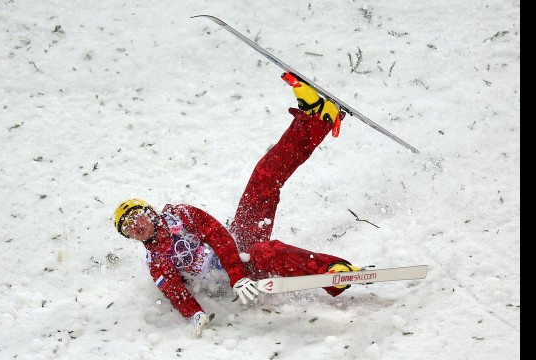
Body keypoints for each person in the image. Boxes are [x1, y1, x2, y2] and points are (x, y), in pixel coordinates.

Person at [113, 73, 360, 337]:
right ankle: (332, 274)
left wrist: (236, 274)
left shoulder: (180, 215)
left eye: (137, 216)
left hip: (236, 250)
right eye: (128, 228)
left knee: (263, 178)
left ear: (150, 212)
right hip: (237, 275)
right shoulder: (156, 262)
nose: (136, 226)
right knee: (265, 253)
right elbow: (176, 293)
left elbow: (218, 236)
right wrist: (197, 315)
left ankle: (315, 118)